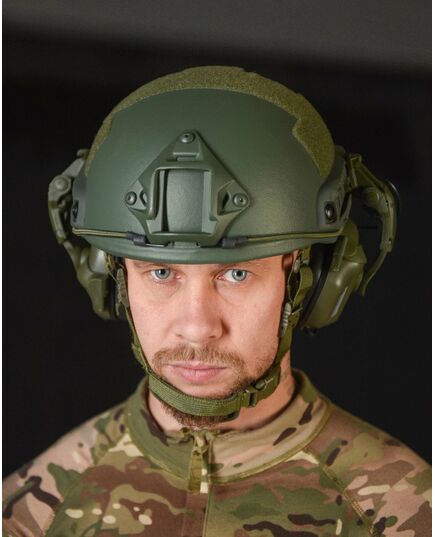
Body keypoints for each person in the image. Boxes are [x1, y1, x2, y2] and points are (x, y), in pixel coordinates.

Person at [3, 66, 430, 537]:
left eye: (236, 274)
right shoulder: (31, 514)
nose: (197, 326)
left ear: (313, 281)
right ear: (112, 278)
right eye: (161, 273)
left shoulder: (405, 513)